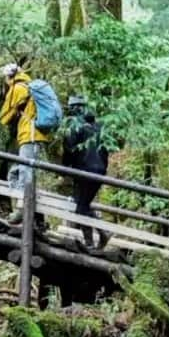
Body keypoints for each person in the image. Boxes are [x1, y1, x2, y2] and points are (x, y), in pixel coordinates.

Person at [0, 63, 49, 224]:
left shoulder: (17, 88)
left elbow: (4, 117)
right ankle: (38, 218)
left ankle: (22, 210)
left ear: (9, 77)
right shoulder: (29, 86)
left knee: (24, 175)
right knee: (19, 173)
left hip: (30, 135)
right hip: (34, 135)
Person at [62, 96, 108, 247]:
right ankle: (91, 240)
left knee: (81, 206)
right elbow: (106, 151)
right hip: (99, 171)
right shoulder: (100, 126)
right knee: (83, 205)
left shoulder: (74, 126)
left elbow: (70, 149)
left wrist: (65, 169)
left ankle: (98, 234)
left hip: (84, 171)